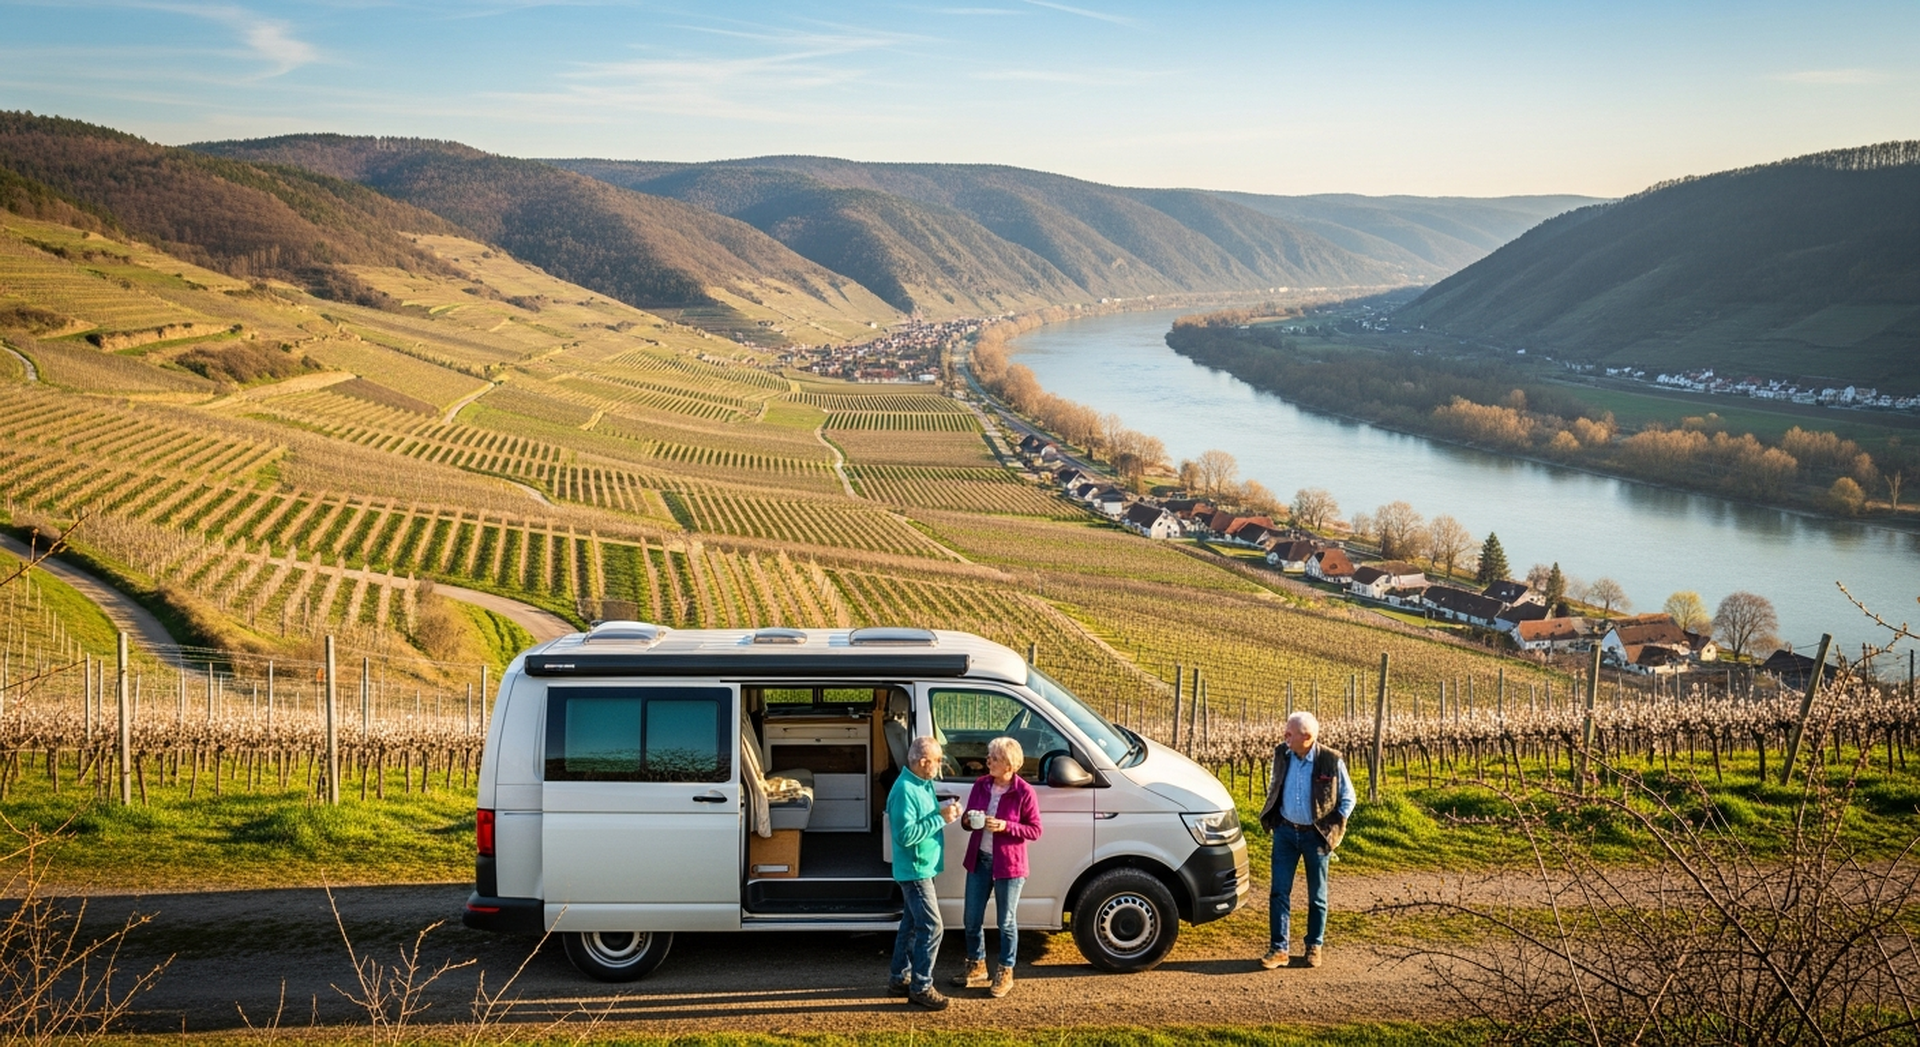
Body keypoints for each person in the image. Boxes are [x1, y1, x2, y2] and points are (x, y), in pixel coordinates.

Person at [1256, 710, 1356, 971]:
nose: (1284, 736)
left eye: (1290, 733)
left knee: (1317, 896)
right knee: (1279, 892)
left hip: (1316, 836)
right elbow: (1274, 785)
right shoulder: (1282, 754)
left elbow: (1348, 798)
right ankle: (1279, 949)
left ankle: (1314, 946)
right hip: (1286, 833)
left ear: (1307, 736)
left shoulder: (1330, 760)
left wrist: (1332, 828)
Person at [950, 736, 1043, 998]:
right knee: (971, 919)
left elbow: (1035, 830)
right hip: (979, 859)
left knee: (1006, 922)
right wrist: (968, 820)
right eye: (989, 756)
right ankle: (976, 964)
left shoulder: (1024, 791)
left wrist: (1006, 826)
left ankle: (1005, 970)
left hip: (1009, 866)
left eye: (994, 758)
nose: (988, 760)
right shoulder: (981, 784)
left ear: (1010, 765)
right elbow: (969, 821)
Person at [887, 734, 959, 1008]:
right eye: (938, 760)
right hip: (915, 871)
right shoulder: (905, 790)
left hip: (921, 867)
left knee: (912, 925)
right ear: (922, 761)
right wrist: (940, 818)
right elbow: (905, 836)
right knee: (932, 927)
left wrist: (942, 813)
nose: (941, 764)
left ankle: (899, 978)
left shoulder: (921, 782)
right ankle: (921, 986)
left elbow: (922, 819)